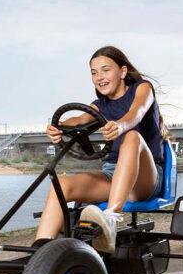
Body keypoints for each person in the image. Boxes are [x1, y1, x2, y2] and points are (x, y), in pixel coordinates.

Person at [33, 45, 169, 253]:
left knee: (132, 136)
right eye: (94, 73)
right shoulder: (99, 105)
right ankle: (41, 253)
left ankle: (110, 221)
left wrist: (121, 125)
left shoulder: (142, 88)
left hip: (145, 179)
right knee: (61, 184)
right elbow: (80, 119)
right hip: (111, 175)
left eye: (106, 70)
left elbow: (138, 111)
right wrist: (58, 127)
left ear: (122, 72)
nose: (99, 77)